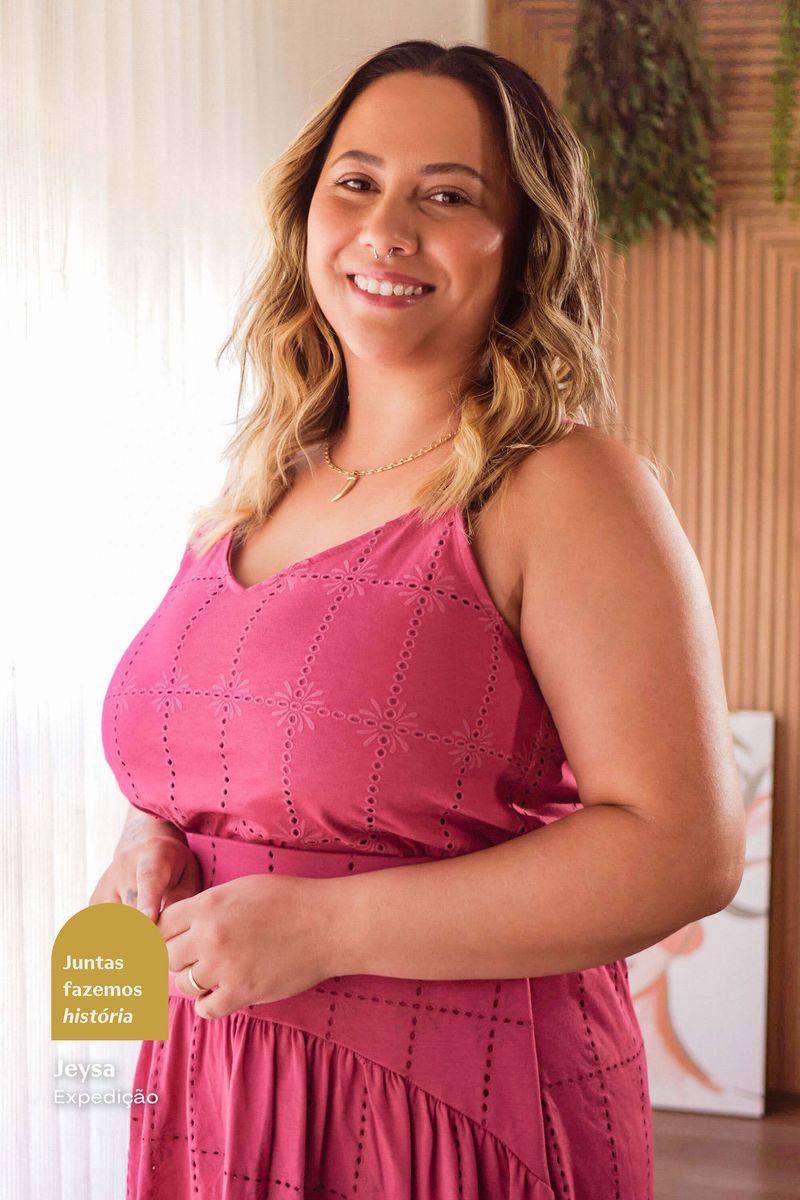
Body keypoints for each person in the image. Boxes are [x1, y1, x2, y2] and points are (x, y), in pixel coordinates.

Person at [90, 40, 746, 1200]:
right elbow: (237, 762)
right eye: (357, 182)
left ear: (522, 245)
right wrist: (153, 838)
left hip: (442, 1116)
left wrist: (326, 930)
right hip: (216, 1090)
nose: (386, 228)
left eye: (446, 196)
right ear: (306, 213)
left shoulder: (563, 485)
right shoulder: (252, 494)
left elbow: (681, 850)